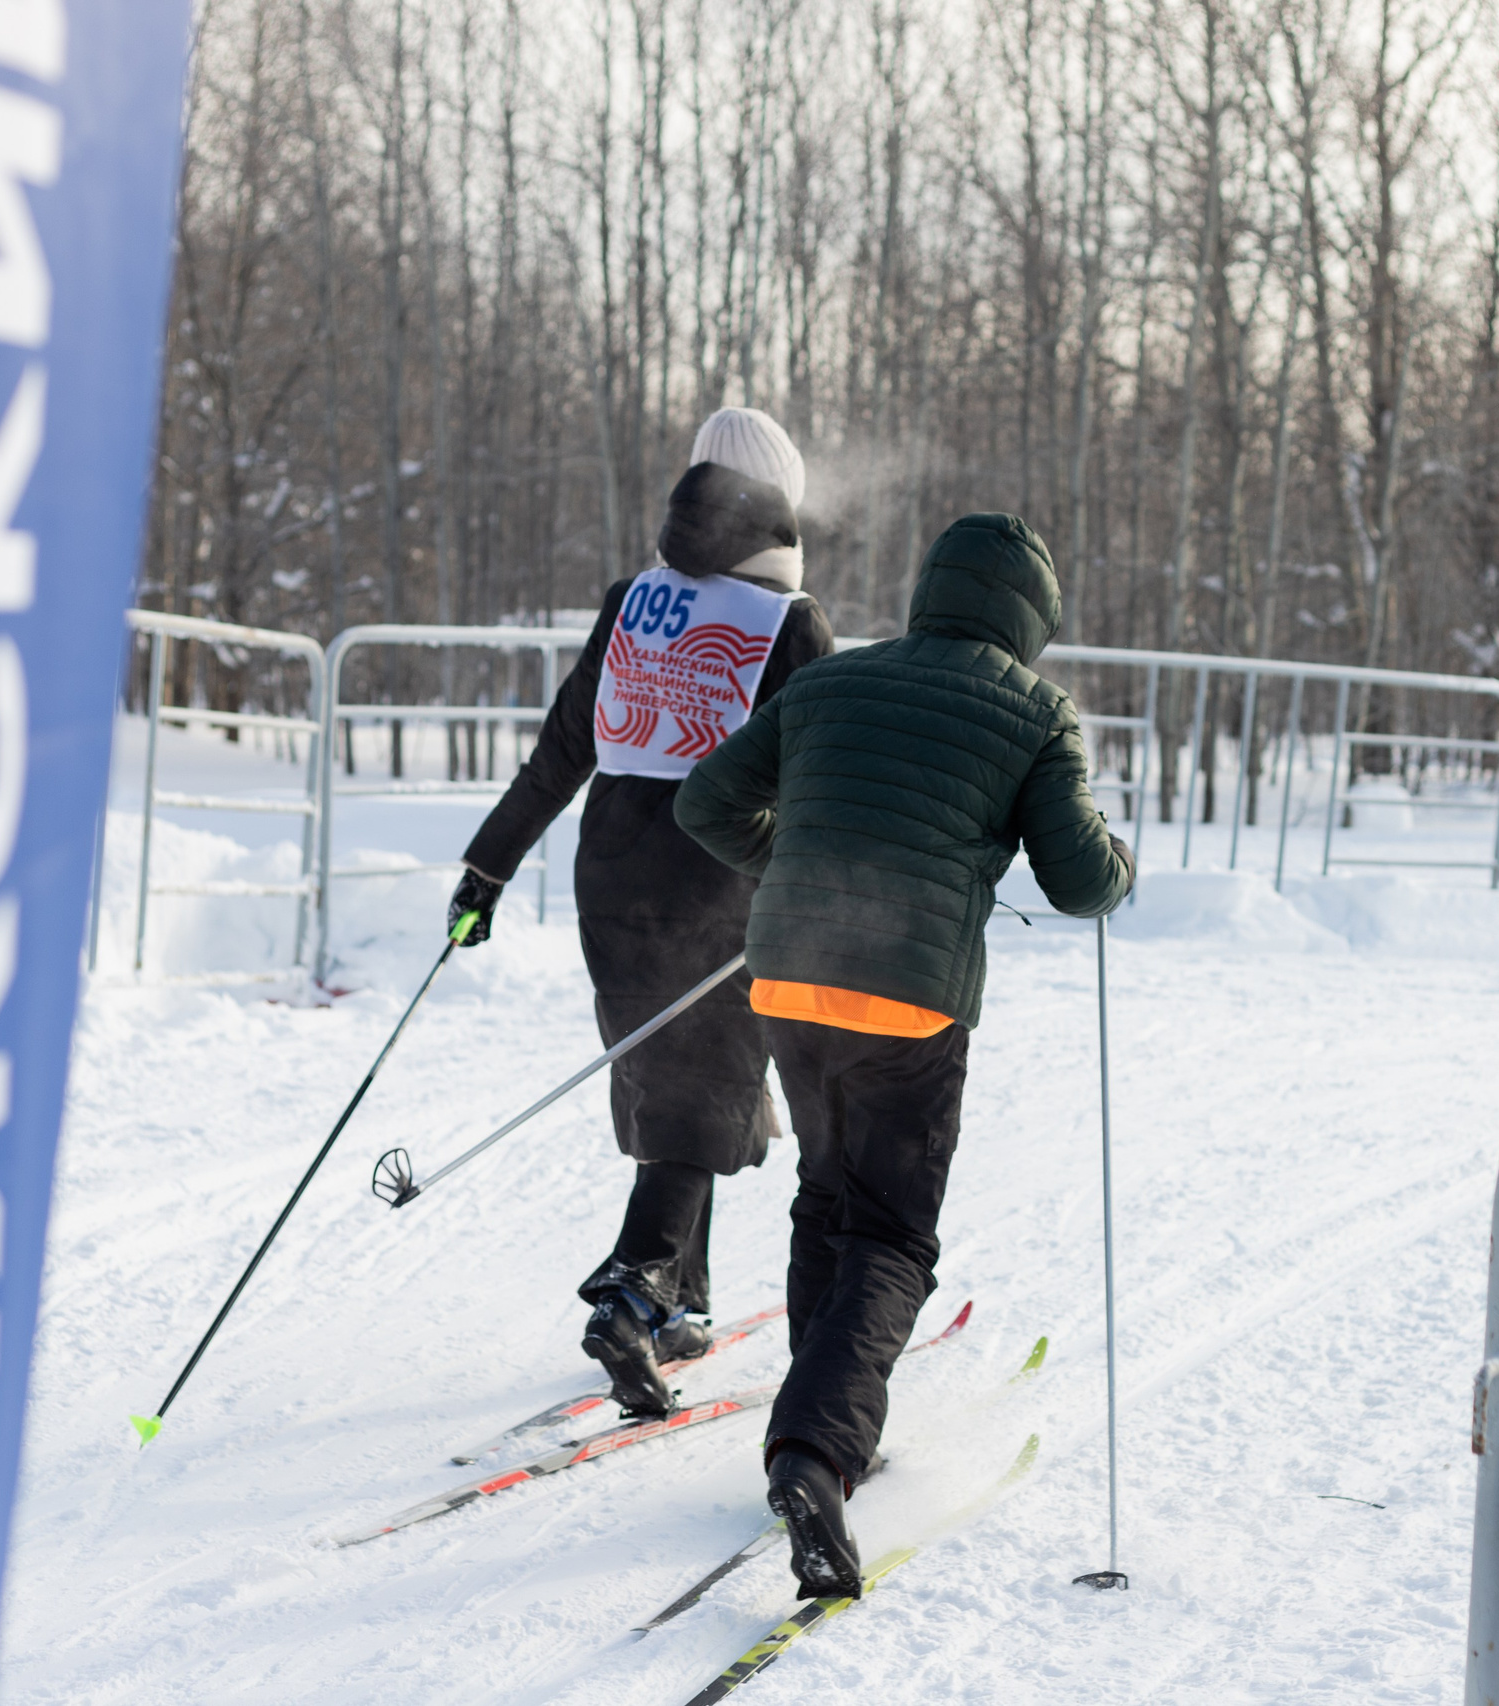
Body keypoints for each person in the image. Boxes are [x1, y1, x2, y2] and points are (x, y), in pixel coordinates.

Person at [674, 512, 1134, 1598]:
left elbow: (704, 802)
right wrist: (1120, 861)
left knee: (825, 1197)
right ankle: (817, 1451)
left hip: (785, 973)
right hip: (908, 1004)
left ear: (931, 591)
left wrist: (791, 855)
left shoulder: (834, 680)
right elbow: (1078, 880)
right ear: (1033, 620)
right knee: (888, 1230)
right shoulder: (1033, 711)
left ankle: (818, 1425)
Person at [448, 408, 835, 1418]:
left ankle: (679, 1305)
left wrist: (486, 871)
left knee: (672, 1079)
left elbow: (559, 752)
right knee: (706, 1088)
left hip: (612, 879)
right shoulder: (786, 626)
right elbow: (831, 774)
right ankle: (633, 1286)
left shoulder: (633, 603)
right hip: (719, 883)